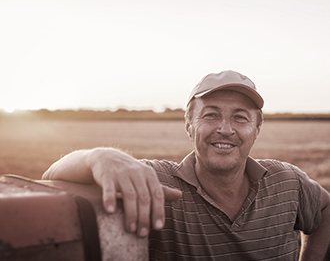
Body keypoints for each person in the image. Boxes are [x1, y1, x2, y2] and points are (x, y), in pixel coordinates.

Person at [42, 70, 330, 260]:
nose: (225, 129)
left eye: (241, 117)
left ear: (257, 128)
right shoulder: (155, 182)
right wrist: (100, 157)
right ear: (189, 126)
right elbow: (51, 175)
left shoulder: (287, 181)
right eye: (211, 115)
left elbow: (325, 209)